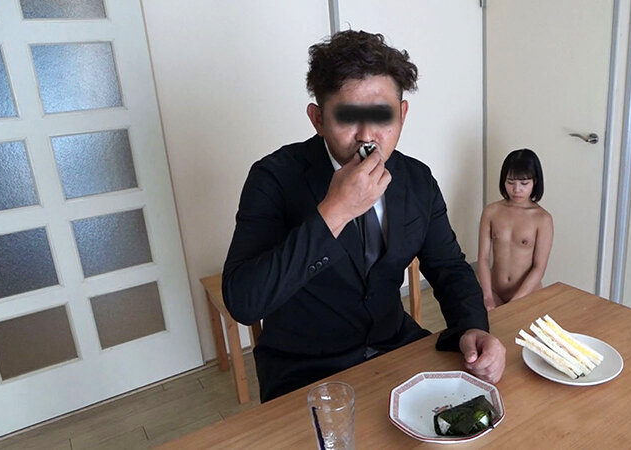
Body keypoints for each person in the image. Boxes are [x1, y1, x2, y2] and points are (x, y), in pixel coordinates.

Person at [222, 30, 506, 402]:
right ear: (318, 119)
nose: (367, 135)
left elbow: (449, 268)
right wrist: (334, 211)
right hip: (305, 369)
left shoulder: (416, 179)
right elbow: (244, 301)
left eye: (381, 116)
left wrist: (473, 327)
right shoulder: (273, 177)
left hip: (395, 346)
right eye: (348, 118)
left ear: (402, 114)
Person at [476, 149, 553, 311]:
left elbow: (539, 267)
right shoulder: (491, 211)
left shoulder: (542, 218)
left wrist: (515, 303)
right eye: (510, 182)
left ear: (535, 182)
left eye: (524, 183)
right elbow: (482, 258)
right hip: (494, 291)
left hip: (527, 294)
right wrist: (487, 296)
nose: (516, 189)